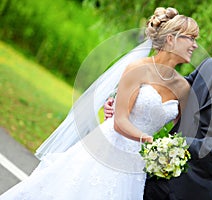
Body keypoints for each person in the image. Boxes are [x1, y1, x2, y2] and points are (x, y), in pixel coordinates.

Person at [0, 7, 199, 200]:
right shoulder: (138, 69)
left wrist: (167, 153)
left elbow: (179, 132)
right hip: (109, 149)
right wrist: (150, 142)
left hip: (137, 165)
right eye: (190, 38)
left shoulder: (183, 88)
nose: (195, 45)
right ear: (171, 39)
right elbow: (120, 121)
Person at [104, 12, 212, 199]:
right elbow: (167, 91)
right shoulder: (208, 65)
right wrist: (122, 99)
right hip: (156, 176)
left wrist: (176, 144)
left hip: (197, 188)